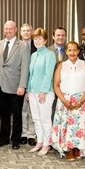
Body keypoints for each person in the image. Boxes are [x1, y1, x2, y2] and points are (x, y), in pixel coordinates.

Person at [50, 41, 85, 161]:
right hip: (65, 100)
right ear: (66, 52)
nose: (72, 52)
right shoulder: (61, 66)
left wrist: (81, 100)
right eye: (69, 50)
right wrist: (64, 101)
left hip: (81, 100)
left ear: (78, 51)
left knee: (80, 125)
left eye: (75, 50)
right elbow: (56, 85)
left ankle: (78, 148)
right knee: (67, 125)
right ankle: (69, 149)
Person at [0, 20, 30, 150]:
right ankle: (4, 139)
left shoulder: (23, 46)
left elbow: (25, 67)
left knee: (17, 115)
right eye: (6, 29)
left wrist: (22, 86)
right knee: (3, 115)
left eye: (11, 28)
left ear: (15, 30)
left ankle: (15, 140)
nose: (8, 31)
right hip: (1, 86)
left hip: (16, 87)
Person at [26, 28, 56, 156]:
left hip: (45, 92)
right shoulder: (34, 55)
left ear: (45, 40)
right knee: (36, 118)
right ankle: (40, 141)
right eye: (35, 39)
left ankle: (47, 144)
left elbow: (48, 74)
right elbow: (30, 74)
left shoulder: (49, 54)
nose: (37, 41)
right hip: (32, 92)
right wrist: (28, 90)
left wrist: (43, 91)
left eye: (39, 39)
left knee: (45, 119)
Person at [20, 23, 37, 146]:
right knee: (22, 110)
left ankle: (31, 134)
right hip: (19, 84)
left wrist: (29, 87)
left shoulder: (37, 47)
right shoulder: (17, 46)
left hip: (33, 84)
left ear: (32, 32)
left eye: (28, 31)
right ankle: (23, 134)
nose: (26, 33)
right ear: (20, 33)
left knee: (32, 111)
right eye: (24, 31)